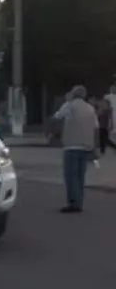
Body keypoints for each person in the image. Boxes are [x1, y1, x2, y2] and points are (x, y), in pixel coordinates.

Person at [53, 85, 99, 213]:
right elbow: (96, 129)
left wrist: (56, 134)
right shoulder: (90, 109)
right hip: (86, 146)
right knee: (80, 176)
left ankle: (73, 203)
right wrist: (95, 147)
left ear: (73, 94)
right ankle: (79, 201)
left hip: (71, 145)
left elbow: (57, 117)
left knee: (70, 175)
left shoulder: (69, 106)